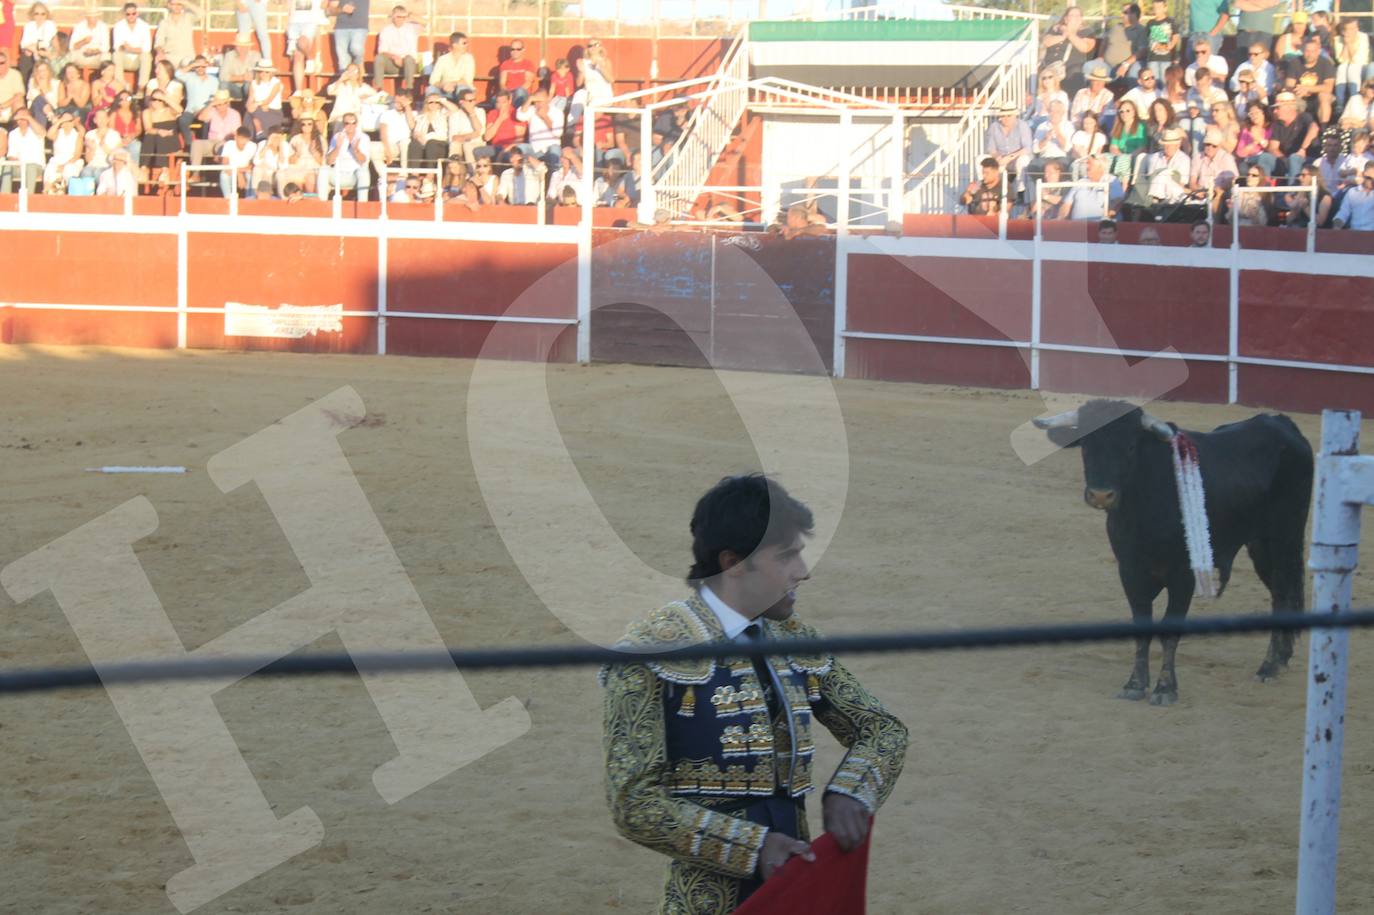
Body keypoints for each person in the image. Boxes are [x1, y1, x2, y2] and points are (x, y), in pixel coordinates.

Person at [601, 474, 908, 915]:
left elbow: (882, 730)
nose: (803, 571)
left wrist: (852, 789)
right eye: (786, 556)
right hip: (708, 899)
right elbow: (634, 804)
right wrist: (753, 846)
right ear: (734, 562)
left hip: (795, 888)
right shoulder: (654, 650)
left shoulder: (795, 639)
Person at [1269, 91, 1319, 180]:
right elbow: (1273, 148)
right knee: (1265, 158)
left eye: (1278, 108)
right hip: (1286, 159)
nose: (1275, 111)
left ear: (1289, 108)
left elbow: (1314, 128)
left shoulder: (1304, 117)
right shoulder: (1277, 124)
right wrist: (1284, 159)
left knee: (1294, 158)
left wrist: (1303, 149)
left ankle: (1292, 191)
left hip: (1307, 159)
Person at [374, 5, 423, 93]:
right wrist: (394, 57)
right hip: (392, 62)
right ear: (393, 17)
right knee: (379, 58)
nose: (401, 19)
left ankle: (408, 90)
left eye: (403, 17)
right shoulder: (386, 30)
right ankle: (379, 90)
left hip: (409, 63)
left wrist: (411, 15)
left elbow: (426, 23)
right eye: (398, 17)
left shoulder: (412, 28)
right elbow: (382, 50)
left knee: (409, 59)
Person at [112, 3, 153, 92]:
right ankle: (122, 87)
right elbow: (117, 46)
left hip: (138, 59)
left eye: (133, 13)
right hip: (125, 58)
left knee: (146, 56)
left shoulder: (144, 26)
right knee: (116, 55)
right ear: (125, 14)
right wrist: (126, 48)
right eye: (128, 14)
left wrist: (130, 49)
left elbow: (147, 48)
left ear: (137, 13)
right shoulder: (119, 26)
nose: (131, 16)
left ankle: (141, 88)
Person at [428, 31, 475, 99]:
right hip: (444, 89)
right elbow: (433, 80)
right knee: (431, 89)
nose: (467, 45)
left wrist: (452, 84)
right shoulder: (442, 59)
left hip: (461, 88)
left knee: (462, 88)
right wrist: (443, 86)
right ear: (455, 45)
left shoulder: (469, 58)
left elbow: (467, 80)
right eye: (464, 43)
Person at [327, 0, 369, 74]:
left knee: (356, 48)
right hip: (341, 27)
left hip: (360, 26)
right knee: (343, 60)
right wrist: (342, 9)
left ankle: (359, 62)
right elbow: (330, 10)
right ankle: (345, 82)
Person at [1143, 0, 1180, 83]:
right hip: (1153, 58)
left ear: (1165, 8)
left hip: (1167, 58)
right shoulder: (1150, 23)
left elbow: (1176, 36)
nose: (1157, 10)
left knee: (1165, 80)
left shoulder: (1170, 22)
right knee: (1153, 80)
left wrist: (1171, 46)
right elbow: (1147, 39)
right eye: (1155, 8)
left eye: (1159, 7)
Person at [1332, 163, 1374, 228]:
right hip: (1354, 233)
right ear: (1363, 175)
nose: (1372, 181)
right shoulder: (1352, 192)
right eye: (1370, 178)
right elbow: (1343, 213)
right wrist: (1337, 226)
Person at [498, 37, 537, 107]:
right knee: (495, 99)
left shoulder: (528, 64)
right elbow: (502, 83)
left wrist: (514, 93)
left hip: (523, 93)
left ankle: (516, 115)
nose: (515, 51)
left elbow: (528, 83)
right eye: (512, 49)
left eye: (518, 49)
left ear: (523, 50)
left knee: (519, 92)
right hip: (508, 93)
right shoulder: (505, 64)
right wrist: (507, 94)